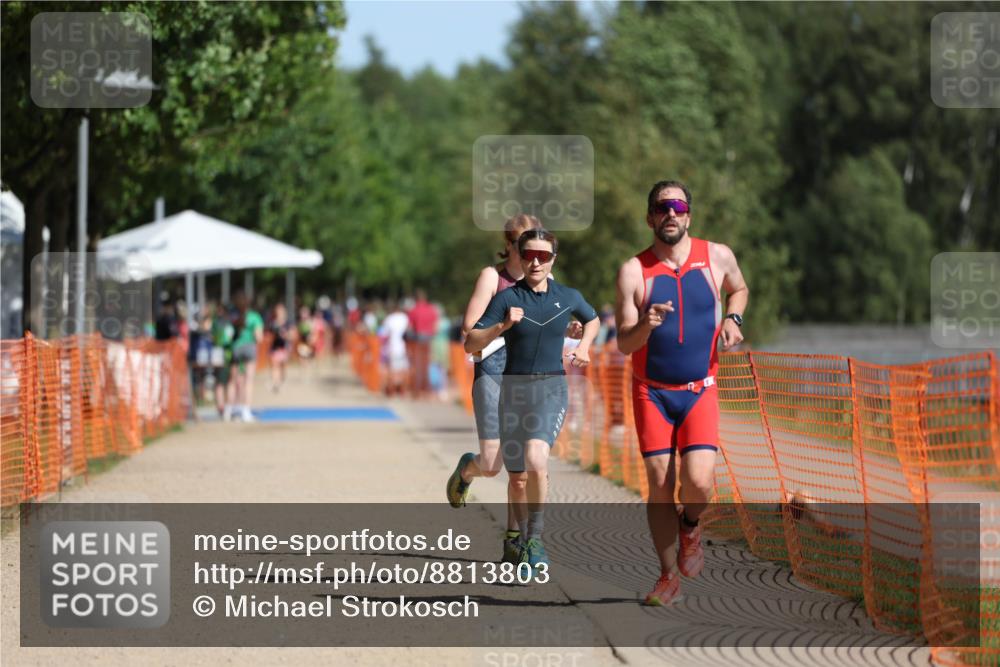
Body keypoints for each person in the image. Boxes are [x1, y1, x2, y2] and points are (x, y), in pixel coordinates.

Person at [614, 180, 748, 605]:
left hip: (699, 390)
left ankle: (690, 525)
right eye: (662, 207)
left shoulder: (717, 256)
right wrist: (645, 325)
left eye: (678, 206)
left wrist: (734, 320)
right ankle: (667, 575)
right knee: (659, 484)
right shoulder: (633, 271)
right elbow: (624, 343)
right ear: (650, 217)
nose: (670, 213)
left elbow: (739, 289)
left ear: (689, 214)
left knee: (699, 483)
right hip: (652, 393)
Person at [462, 229, 600, 573]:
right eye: (528, 255)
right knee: (518, 479)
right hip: (512, 393)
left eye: (543, 256)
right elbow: (470, 343)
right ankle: (522, 541)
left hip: (551, 389)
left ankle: (535, 540)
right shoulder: (506, 299)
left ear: (554, 259)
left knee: (537, 458)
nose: (535, 262)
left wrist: (584, 346)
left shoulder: (567, 296)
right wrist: (501, 326)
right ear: (519, 257)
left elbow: (593, 318)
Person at [446, 214, 544, 563]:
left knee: (522, 468)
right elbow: (468, 332)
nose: (531, 253)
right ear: (508, 245)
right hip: (493, 372)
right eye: (522, 244)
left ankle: (514, 540)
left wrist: (569, 332)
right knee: (491, 464)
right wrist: (503, 325)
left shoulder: (544, 278)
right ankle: (466, 470)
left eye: (536, 244)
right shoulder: (493, 277)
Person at [227, 291, 264, 422]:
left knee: (233, 380)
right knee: (248, 381)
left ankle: (229, 410)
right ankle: (245, 411)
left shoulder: (233, 316)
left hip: (235, 348)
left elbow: (228, 335)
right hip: (249, 348)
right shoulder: (254, 317)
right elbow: (259, 337)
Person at [407, 289, 438, 398]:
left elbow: (410, 327)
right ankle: (427, 389)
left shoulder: (414, 310)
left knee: (417, 365)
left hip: (418, 339)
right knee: (427, 365)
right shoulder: (431, 309)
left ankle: (417, 390)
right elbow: (435, 326)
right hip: (429, 339)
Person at [378, 300, 411, 396]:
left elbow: (384, 333)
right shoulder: (405, 318)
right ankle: (403, 389)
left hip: (393, 347)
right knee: (404, 369)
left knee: (392, 369)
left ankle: (392, 389)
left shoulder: (390, 318)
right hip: (404, 347)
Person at [269, 303, 293, 392]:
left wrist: (285, 335)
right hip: (275, 347)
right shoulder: (273, 323)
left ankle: (282, 381)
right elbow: (269, 334)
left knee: (283, 366)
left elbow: (292, 335)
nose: (279, 313)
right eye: (277, 311)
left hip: (284, 347)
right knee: (275, 365)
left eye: (280, 311)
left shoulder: (288, 323)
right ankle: (275, 383)